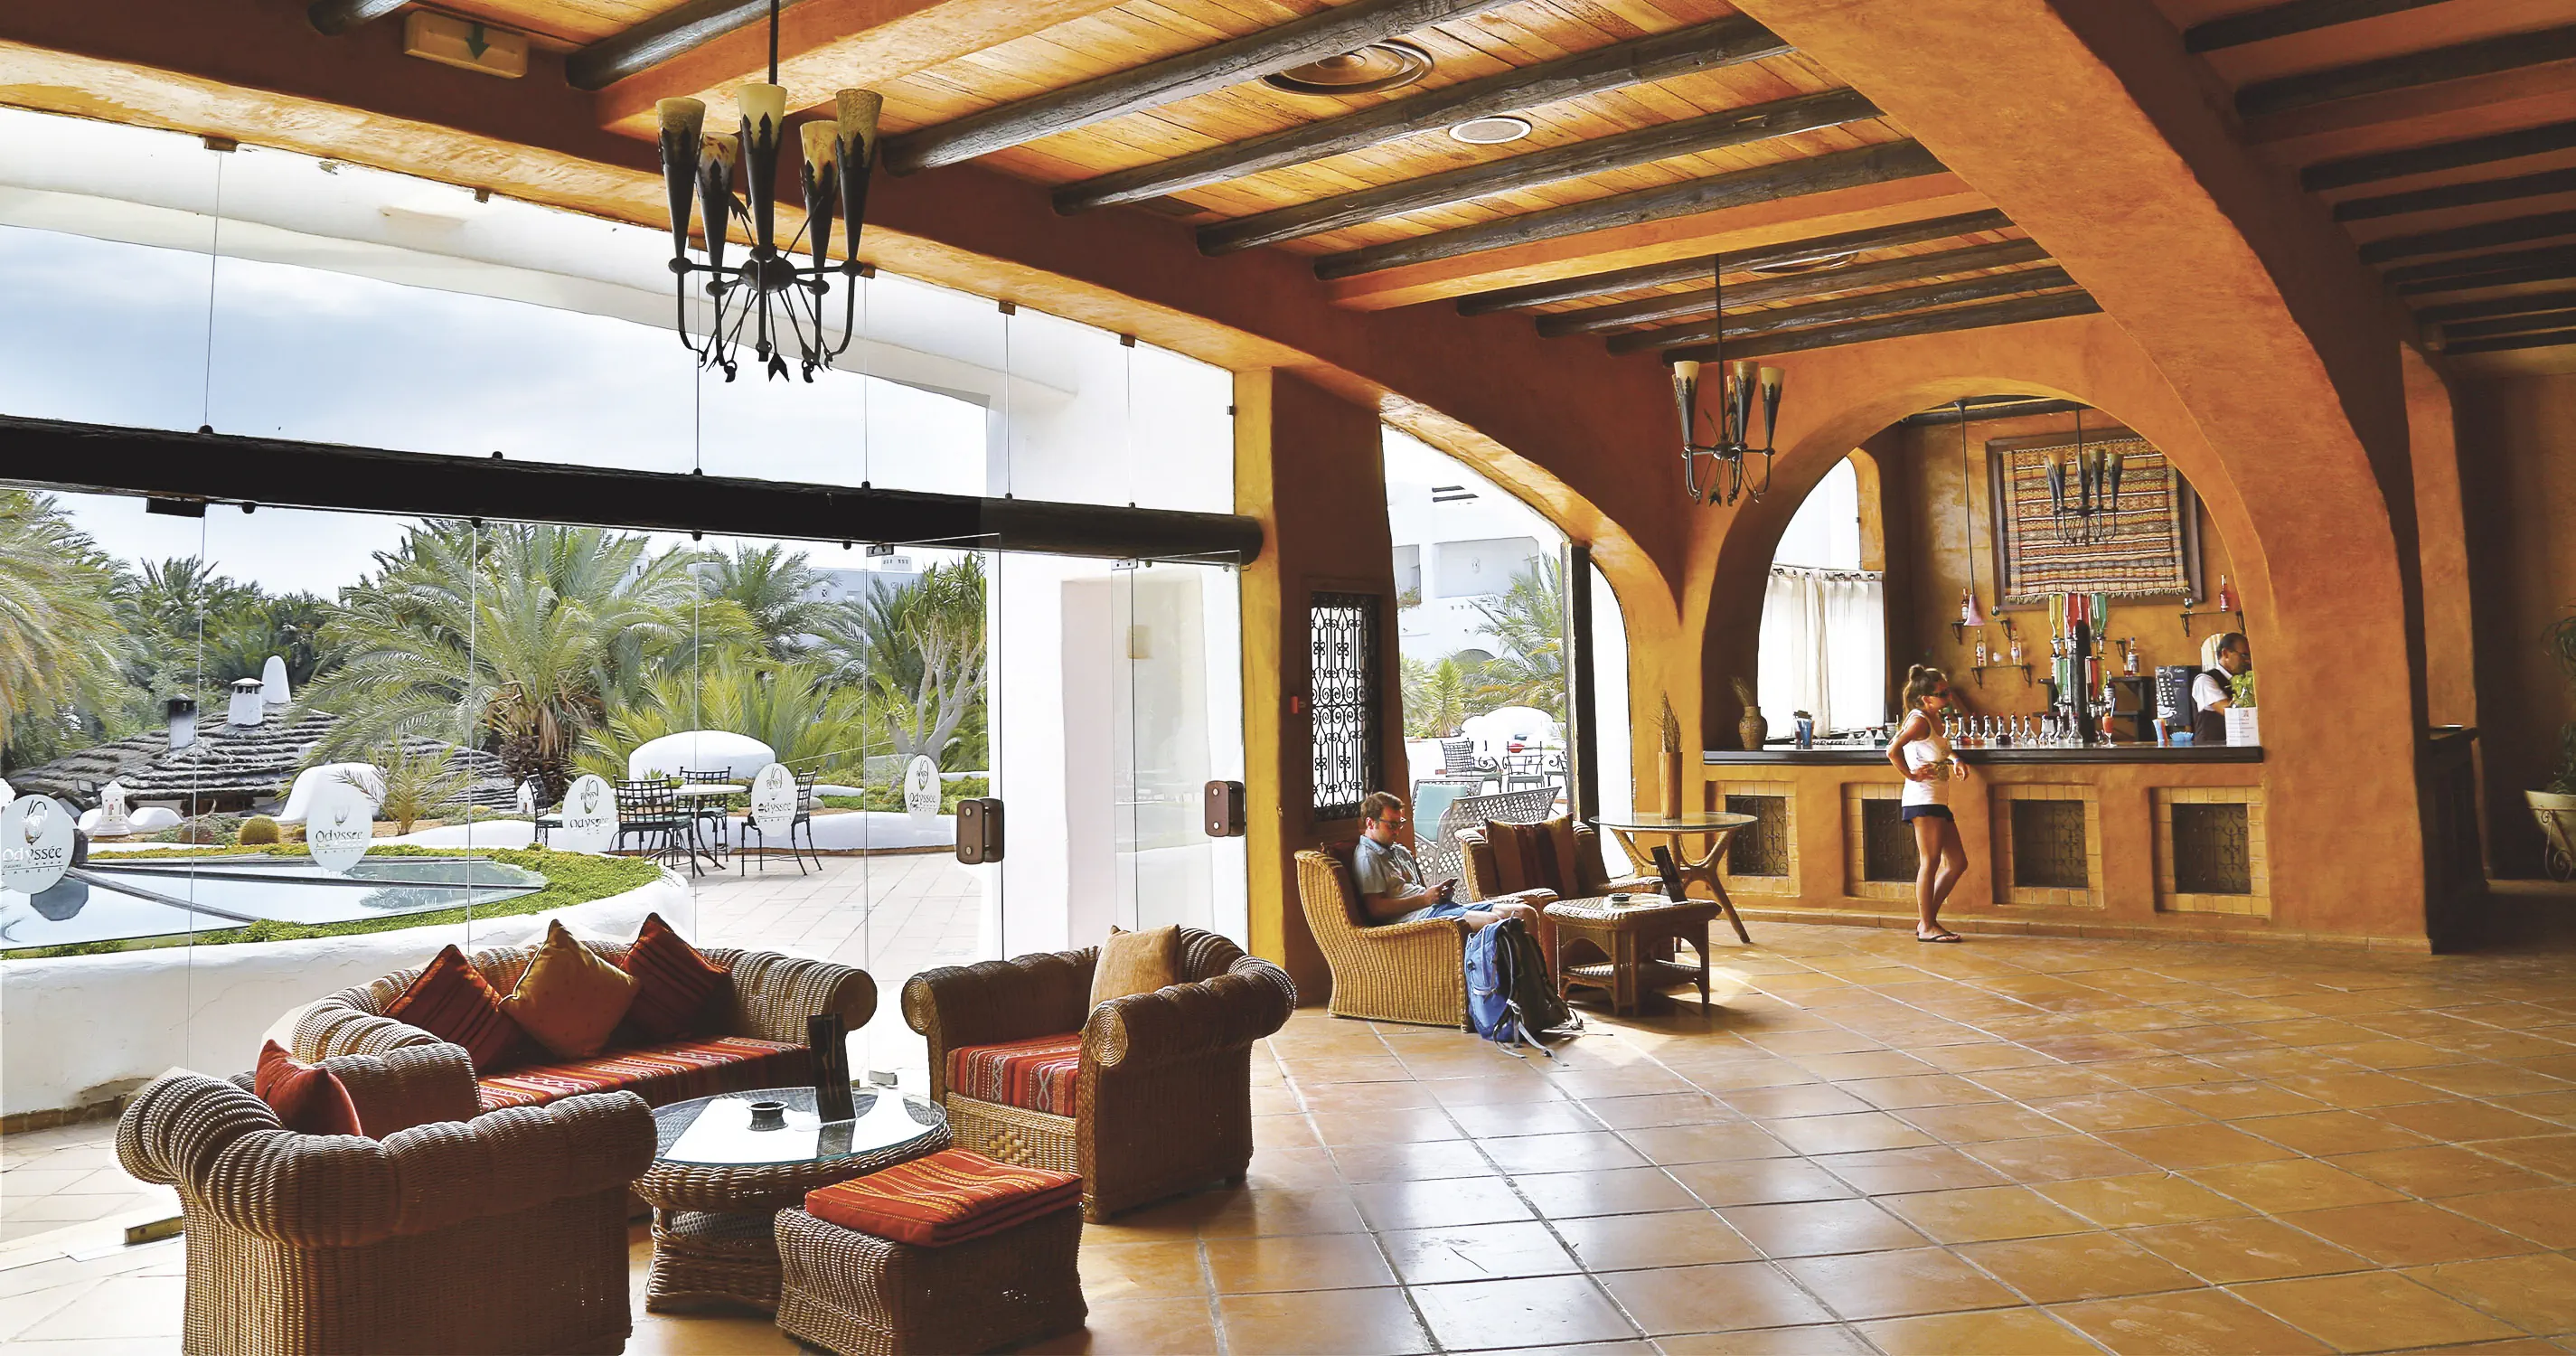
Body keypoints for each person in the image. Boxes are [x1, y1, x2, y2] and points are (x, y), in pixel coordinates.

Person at [1350, 791, 1542, 931]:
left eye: (1400, 824)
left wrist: (1437, 895)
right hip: (1415, 920)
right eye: (1392, 825)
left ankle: (1534, 974)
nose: (1397, 831)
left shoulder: (1399, 851)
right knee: (1493, 923)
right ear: (1370, 823)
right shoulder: (1368, 857)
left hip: (1434, 908)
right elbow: (1376, 909)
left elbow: (1419, 891)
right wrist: (1425, 899)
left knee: (1526, 913)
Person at [1887, 664, 1970, 943]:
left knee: (1957, 862)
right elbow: (1892, 750)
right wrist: (1911, 775)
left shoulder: (1933, 719)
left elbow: (1940, 749)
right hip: (1922, 798)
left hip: (1937, 799)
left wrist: (1956, 760)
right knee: (1930, 862)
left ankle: (1927, 921)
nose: (1948, 697)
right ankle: (1927, 925)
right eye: (1942, 694)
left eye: (1948, 691)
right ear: (1926, 699)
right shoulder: (1919, 721)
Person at [2191, 632, 2252, 745]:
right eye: (2244, 655)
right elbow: (2230, 711)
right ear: (2226, 654)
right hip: (2213, 749)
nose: (2248, 661)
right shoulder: (2205, 680)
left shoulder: (2245, 680)